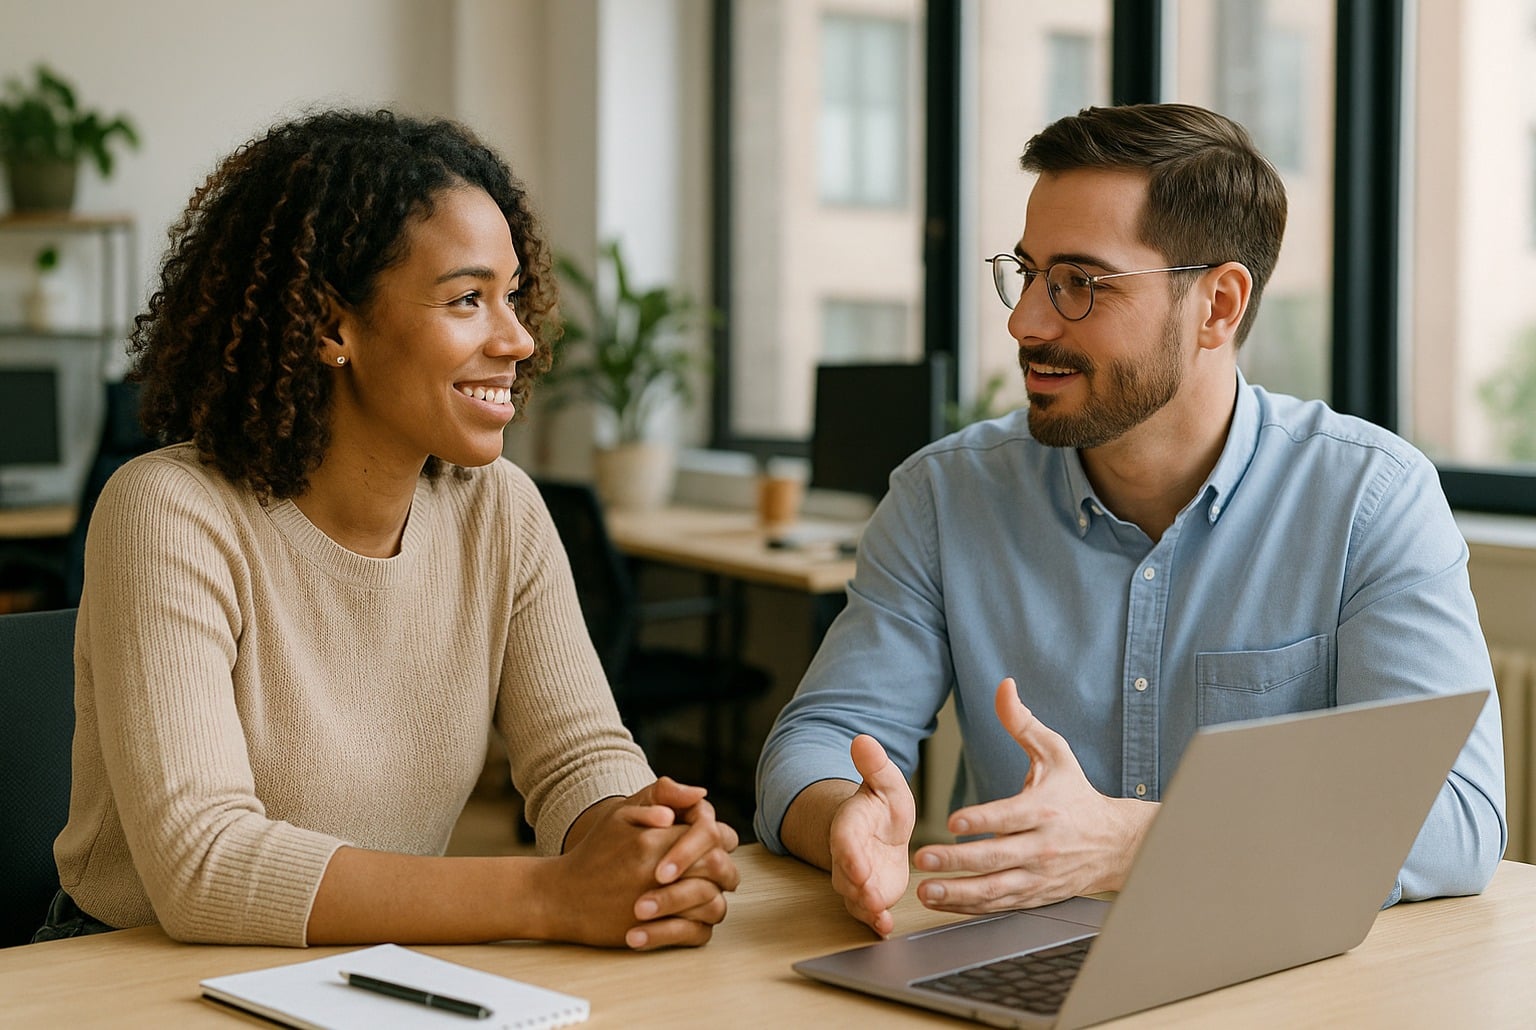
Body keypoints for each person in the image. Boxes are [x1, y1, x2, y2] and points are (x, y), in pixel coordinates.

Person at [754, 102, 1506, 937]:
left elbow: (1458, 817)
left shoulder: (1371, 500)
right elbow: (817, 742)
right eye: (1028, 272)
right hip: (1016, 972)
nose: (1025, 321)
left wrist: (1136, 844)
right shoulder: (944, 497)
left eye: (1079, 283)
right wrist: (843, 819)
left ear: (1218, 305)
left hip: (1275, 974)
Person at [40, 109, 738, 948]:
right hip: (131, 973)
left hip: (376, 964)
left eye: (511, 296)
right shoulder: (169, 512)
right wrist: (550, 895)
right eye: (467, 299)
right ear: (332, 326)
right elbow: (204, 866)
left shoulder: (501, 509)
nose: (517, 339)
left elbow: (578, 760)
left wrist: (641, 848)